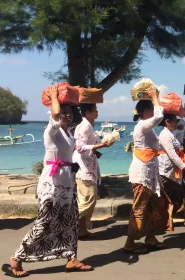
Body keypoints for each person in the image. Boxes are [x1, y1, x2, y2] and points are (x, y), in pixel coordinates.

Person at [2, 86, 93, 278]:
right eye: (64, 113)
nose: (67, 116)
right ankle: (17, 258)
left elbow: (70, 155)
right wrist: (54, 98)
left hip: (67, 183)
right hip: (51, 185)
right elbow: (56, 114)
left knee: (70, 223)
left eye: (70, 113)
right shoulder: (51, 131)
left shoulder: (68, 133)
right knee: (44, 223)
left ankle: (71, 258)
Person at [123, 88, 170, 254]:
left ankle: (150, 237)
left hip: (149, 173)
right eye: (151, 108)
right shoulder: (142, 126)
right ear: (145, 111)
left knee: (152, 207)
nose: (153, 111)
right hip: (142, 173)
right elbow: (159, 117)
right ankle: (130, 242)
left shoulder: (146, 128)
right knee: (139, 208)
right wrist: (155, 97)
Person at [73, 103, 113, 239]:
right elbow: (79, 147)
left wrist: (99, 146)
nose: (97, 112)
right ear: (87, 112)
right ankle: (66, 222)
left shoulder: (87, 124)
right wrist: (102, 144)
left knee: (86, 197)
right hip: (84, 167)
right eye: (95, 110)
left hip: (88, 164)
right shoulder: (84, 125)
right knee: (88, 198)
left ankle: (82, 229)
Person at [158, 113, 185, 228]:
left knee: (181, 191)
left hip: (173, 170)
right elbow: (172, 155)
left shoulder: (170, 134)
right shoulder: (165, 135)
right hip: (166, 171)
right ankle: (166, 220)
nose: (176, 123)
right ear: (168, 122)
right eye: (174, 121)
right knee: (171, 195)